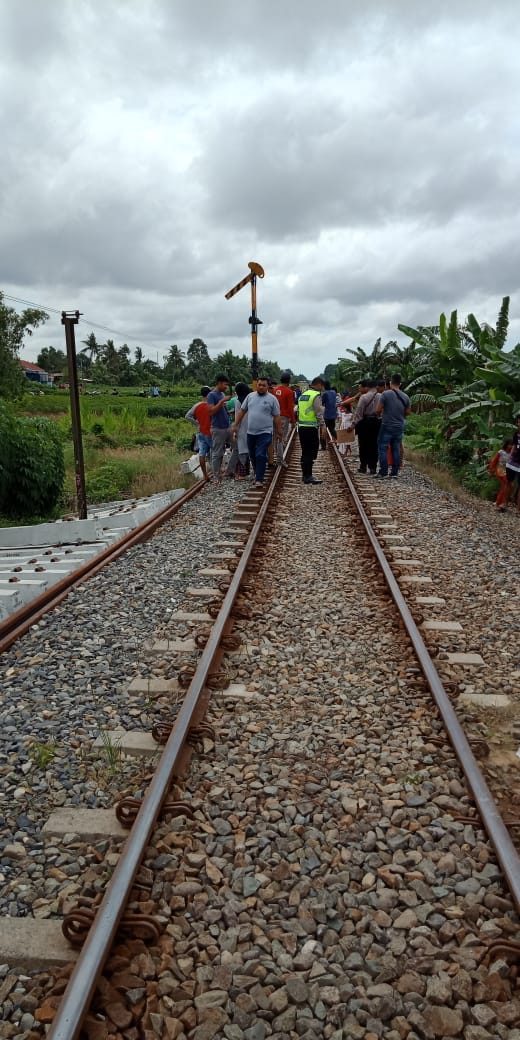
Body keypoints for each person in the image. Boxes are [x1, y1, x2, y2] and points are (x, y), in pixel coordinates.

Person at [233, 376, 282, 488]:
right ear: (257, 385)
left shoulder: (272, 399)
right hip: (251, 433)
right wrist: (235, 425)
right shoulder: (250, 397)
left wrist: (279, 432)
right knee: (253, 456)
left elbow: (277, 417)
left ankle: (259, 479)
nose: (261, 387)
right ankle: (257, 472)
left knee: (260, 454)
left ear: (268, 386)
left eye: (263, 385)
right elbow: (242, 411)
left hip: (265, 432)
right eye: (259, 385)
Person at [376, 373, 411, 478]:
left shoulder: (385, 394)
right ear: (400, 383)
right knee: (396, 448)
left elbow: (378, 409)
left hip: (387, 425)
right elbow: (408, 412)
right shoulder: (406, 397)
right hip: (399, 426)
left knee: (383, 447)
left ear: (391, 383)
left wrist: (379, 415)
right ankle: (394, 472)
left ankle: (383, 471)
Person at [297, 377, 325, 484]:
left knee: (305, 451)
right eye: (321, 386)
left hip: (302, 427)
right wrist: (323, 426)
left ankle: (305, 475)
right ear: (318, 385)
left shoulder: (302, 395)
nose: (322, 389)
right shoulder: (316, 396)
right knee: (311, 452)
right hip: (311, 428)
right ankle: (308, 476)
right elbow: (319, 413)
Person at [207, 374, 231, 482]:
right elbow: (211, 411)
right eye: (225, 384)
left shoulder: (222, 394)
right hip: (218, 428)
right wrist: (221, 402)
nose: (226, 387)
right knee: (217, 453)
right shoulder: (211, 395)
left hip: (227, 426)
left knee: (237, 447)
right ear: (219, 383)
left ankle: (229, 470)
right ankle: (216, 476)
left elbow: (222, 409)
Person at [184, 385, 212, 479]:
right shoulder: (211, 405)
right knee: (214, 452)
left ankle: (205, 475)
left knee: (202, 453)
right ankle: (216, 472)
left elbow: (187, 416)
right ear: (209, 393)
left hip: (200, 432)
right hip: (210, 432)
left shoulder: (197, 405)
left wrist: (197, 423)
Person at [225, 382, 251, 479]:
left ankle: (240, 474)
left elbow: (237, 416)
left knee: (241, 450)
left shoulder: (238, 401)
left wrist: (235, 429)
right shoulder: (249, 399)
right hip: (250, 427)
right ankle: (245, 472)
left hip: (241, 427)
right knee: (247, 450)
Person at [354, 380, 380, 474]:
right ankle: (373, 467)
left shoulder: (364, 397)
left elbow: (359, 413)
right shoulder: (380, 396)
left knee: (363, 445)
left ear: (367, 387)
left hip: (365, 423)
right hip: (376, 423)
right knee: (374, 445)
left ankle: (363, 466)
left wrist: (354, 424)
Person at [273, 371, 296, 467]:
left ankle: (276, 457)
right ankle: (280, 460)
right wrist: (293, 420)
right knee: (281, 438)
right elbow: (290, 408)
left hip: (274, 416)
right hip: (283, 417)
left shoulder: (274, 390)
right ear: (289, 381)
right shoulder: (289, 392)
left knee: (275, 437)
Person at [488, 439, 513, 512]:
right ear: (506, 444)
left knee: (509, 486)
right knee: (507, 485)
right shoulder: (501, 452)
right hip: (500, 471)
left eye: (512, 445)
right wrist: (491, 470)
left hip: (507, 472)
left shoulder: (512, 454)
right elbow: (494, 461)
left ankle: (501, 502)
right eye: (509, 444)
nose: (511, 446)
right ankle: (499, 503)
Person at [503, 414, 520, 511]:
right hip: (513, 461)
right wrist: (510, 456)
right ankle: (505, 505)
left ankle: (518, 510)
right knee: (508, 482)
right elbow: (514, 445)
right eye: (518, 422)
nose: (519, 424)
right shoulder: (516, 433)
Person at [322, 380, 338, 446]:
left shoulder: (325, 393)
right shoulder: (334, 392)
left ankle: (323, 446)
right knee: (332, 428)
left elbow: (322, 403)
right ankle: (337, 439)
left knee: (324, 429)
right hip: (333, 413)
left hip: (327, 414)